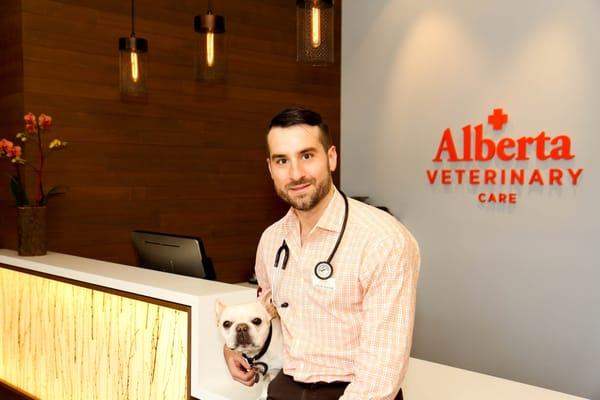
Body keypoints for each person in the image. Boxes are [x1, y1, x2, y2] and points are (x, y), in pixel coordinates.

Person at [223, 107, 420, 400]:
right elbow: (267, 310)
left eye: (307, 155)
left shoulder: (383, 240)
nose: (296, 173)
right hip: (285, 387)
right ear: (270, 168)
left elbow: (382, 372)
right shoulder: (271, 239)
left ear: (331, 157)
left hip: (353, 392)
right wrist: (232, 349)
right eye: (282, 160)